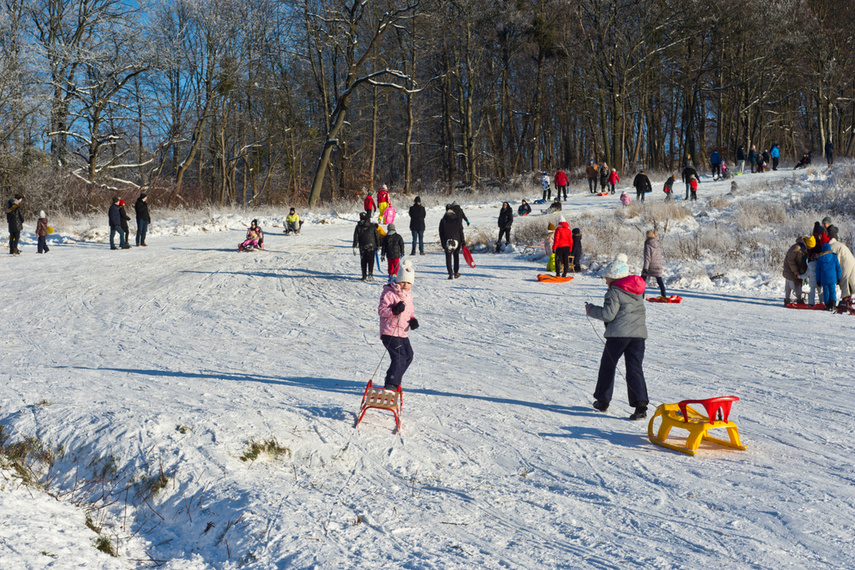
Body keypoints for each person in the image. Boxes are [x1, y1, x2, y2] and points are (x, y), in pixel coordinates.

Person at [585, 254, 649, 420]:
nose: (605, 281)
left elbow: (608, 314)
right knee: (634, 368)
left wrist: (591, 310)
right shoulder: (637, 291)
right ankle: (641, 406)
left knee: (608, 366)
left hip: (618, 336)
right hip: (638, 336)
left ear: (614, 278)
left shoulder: (614, 291)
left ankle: (602, 401)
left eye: (607, 278)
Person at [378, 260, 418, 390]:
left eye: (408, 283)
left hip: (402, 333)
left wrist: (412, 319)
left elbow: (410, 311)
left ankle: (395, 379)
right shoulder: (389, 293)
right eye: (403, 282)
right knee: (399, 357)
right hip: (390, 332)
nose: (405, 285)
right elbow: (382, 311)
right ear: (398, 280)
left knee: (408, 356)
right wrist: (394, 310)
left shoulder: (408, 296)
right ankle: (391, 383)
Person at [827, 226, 855, 302]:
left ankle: (846, 299)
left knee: (845, 280)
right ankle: (847, 299)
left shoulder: (832, 246)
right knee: (848, 281)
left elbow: (834, 261)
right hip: (850, 263)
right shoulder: (838, 244)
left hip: (845, 265)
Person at [353, 212, 381, 281]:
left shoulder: (358, 226)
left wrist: (354, 246)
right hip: (372, 246)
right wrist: (378, 245)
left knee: (363, 261)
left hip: (362, 246)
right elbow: (377, 236)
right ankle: (370, 275)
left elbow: (356, 237)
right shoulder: (372, 226)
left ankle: (364, 275)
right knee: (371, 261)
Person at [439, 205, 464, 279]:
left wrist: (443, 243)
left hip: (447, 241)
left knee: (448, 257)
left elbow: (441, 233)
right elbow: (461, 231)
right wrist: (463, 241)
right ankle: (456, 272)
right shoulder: (457, 219)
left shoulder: (443, 220)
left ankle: (450, 274)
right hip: (457, 241)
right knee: (456, 256)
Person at [816, 241, 842, 311]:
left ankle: (827, 305)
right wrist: (839, 277)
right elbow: (838, 268)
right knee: (832, 291)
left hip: (824, 278)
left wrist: (818, 279)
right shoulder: (834, 257)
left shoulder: (820, 259)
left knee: (826, 292)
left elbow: (818, 270)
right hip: (832, 277)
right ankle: (833, 304)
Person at [641, 230, 666, 298]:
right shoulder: (657, 243)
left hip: (650, 265)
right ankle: (664, 296)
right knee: (659, 281)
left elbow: (647, 257)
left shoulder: (648, 244)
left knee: (642, 280)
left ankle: (641, 296)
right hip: (658, 265)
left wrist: (645, 268)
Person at [799, 236, 823, 306]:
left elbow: (806, 274)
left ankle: (811, 303)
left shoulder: (810, 265)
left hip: (812, 282)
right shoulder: (820, 265)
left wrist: (800, 276)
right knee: (821, 292)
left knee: (812, 292)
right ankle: (822, 302)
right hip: (820, 280)